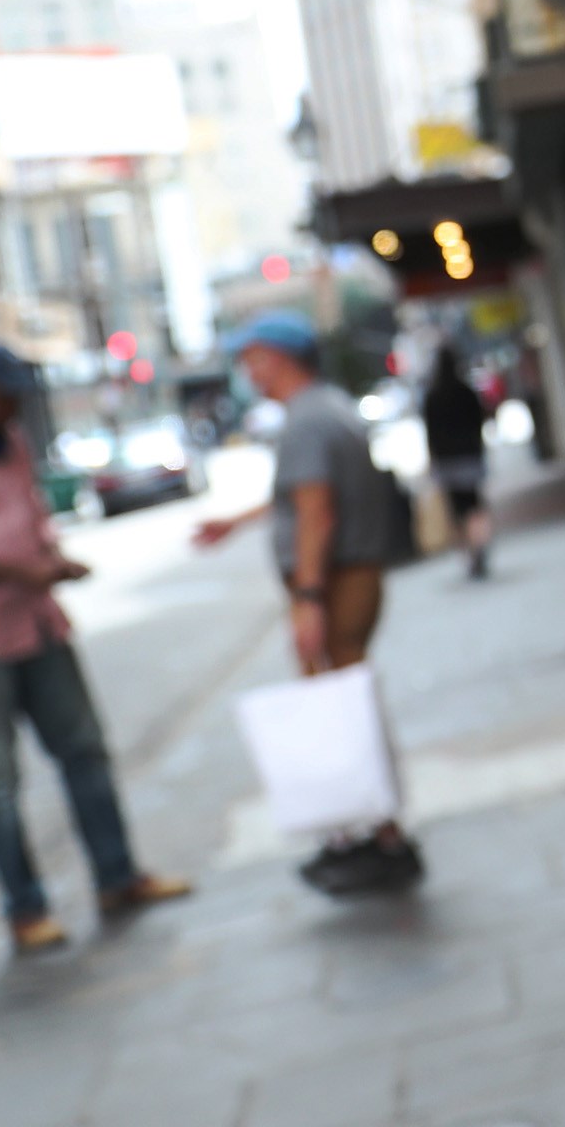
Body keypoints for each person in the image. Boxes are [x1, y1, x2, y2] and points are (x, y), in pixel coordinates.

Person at [0, 344, 192, 953]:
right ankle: (25, 908)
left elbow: (27, 515)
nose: (12, 405)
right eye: (1, 394)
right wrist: (5, 570)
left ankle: (117, 874)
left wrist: (47, 559)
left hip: (35, 623)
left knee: (85, 750)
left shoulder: (9, 441)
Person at [193, 311, 423, 894]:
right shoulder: (327, 410)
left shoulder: (307, 424)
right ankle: (372, 828)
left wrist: (309, 599)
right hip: (353, 574)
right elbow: (303, 499)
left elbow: (318, 512)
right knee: (349, 704)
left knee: (341, 709)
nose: (248, 372)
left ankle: (376, 834)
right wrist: (237, 522)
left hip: (336, 580)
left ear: (275, 357)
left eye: (252, 359)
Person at [419, 343, 493, 578]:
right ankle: (479, 546)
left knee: (457, 511)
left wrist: (433, 460)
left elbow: (430, 433)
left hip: (447, 461)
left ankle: (469, 554)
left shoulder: (432, 397)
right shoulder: (466, 391)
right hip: (470, 456)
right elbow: (479, 422)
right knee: (475, 505)